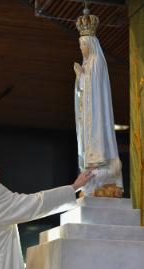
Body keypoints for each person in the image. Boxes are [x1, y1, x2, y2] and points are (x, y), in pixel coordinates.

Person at [73, 6, 123, 196]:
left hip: (97, 111)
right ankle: (90, 170)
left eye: (83, 45)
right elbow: (82, 90)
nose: (81, 48)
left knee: (98, 137)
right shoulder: (87, 65)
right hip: (88, 113)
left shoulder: (98, 62)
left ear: (91, 44)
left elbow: (95, 87)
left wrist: (83, 75)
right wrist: (79, 77)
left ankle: (100, 168)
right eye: (80, 45)